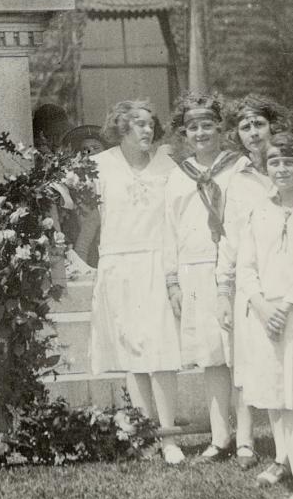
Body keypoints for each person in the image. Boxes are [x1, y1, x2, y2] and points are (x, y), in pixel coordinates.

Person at [87, 99, 185, 464]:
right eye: (138, 124)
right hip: (118, 265)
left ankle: (169, 437)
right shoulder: (98, 166)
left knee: (161, 351)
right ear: (121, 128)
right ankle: (145, 436)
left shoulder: (168, 165)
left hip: (157, 262)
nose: (147, 130)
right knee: (133, 354)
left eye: (150, 124)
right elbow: (61, 201)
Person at [164, 93, 251, 466]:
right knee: (212, 358)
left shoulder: (239, 167)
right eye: (193, 127)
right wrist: (172, 281)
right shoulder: (176, 176)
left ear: (220, 128)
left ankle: (246, 439)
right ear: (185, 133)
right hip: (194, 271)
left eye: (207, 125)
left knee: (241, 356)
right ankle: (220, 438)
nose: (200, 133)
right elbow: (169, 231)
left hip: (234, 269)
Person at [239, 133, 293, 499]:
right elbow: (247, 264)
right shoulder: (260, 209)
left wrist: (288, 303)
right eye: (274, 162)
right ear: (264, 168)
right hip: (270, 318)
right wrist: (260, 304)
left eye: (289, 161)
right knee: (289, 405)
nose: (282, 168)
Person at [220, 93, 293, 484]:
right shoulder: (239, 180)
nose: (252, 132)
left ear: (273, 126)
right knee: (268, 374)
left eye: (259, 124)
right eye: (245, 126)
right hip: (258, 293)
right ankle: (284, 456)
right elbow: (231, 242)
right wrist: (224, 292)